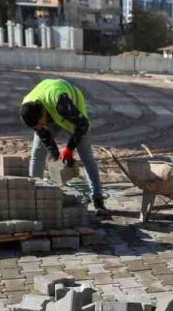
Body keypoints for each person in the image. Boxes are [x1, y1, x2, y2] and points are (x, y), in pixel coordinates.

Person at [20, 78, 107, 214]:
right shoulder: (28, 108)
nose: (40, 127)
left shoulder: (61, 103)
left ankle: (98, 200)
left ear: (42, 112)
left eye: (40, 124)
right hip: (49, 110)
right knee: (37, 154)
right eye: (36, 127)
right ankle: (33, 196)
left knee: (86, 157)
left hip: (71, 113)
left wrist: (69, 148)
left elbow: (82, 125)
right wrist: (55, 158)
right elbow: (44, 136)